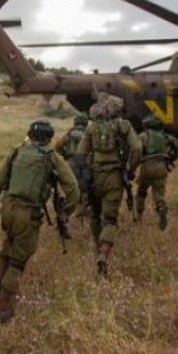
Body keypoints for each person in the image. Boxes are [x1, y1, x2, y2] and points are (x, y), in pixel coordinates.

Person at [0, 119, 79, 323]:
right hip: (29, 213)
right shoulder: (52, 157)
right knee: (18, 260)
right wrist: (65, 213)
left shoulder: (16, 151)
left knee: (8, 247)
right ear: (48, 138)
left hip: (8, 209)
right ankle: (3, 309)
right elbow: (73, 190)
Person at [77, 94, 141, 278]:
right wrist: (130, 168)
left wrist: (83, 177)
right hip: (115, 177)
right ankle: (104, 256)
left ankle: (97, 247)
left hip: (95, 176)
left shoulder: (91, 128)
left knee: (95, 215)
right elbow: (136, 148)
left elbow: (80, 154)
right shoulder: (124, 126)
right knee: (110, 219)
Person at [135, 114, 178, 231]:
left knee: (141, 192)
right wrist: (171, 158)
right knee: (158, 193)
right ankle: (161, 207)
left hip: (147, 167)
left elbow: (136, 150)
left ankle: (139, 216)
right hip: (162, 167)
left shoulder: (143, 136)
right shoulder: (165, 137)